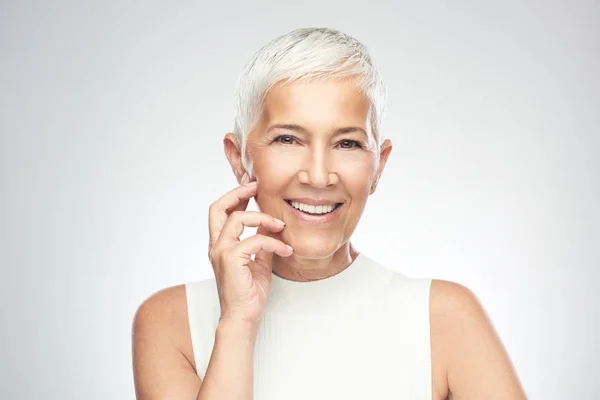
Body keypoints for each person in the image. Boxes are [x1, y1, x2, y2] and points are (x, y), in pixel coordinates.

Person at [132, 27, 527, 400]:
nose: (318, 176)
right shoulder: (170, 324)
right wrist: (237, 324)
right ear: (240, 159)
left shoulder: (445, 317)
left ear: (379, 166)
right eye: (288, 139)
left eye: (348, 143)